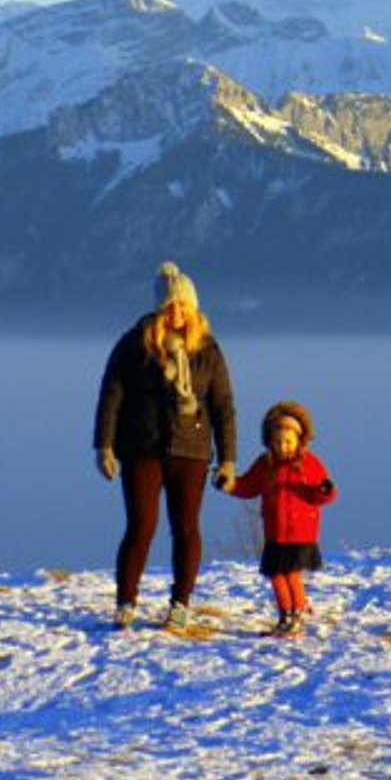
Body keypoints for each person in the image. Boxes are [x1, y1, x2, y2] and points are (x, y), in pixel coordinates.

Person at [93, 261, 237, 631]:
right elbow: (111, 396)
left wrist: (228, 460)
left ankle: (180, 603)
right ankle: (126, 602)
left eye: (183, 305)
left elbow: (222, 407)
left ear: (194, 307)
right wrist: (104, 446)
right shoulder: (134, 345)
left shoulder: (208, 350)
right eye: (170, 305)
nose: (177, 312)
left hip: (192, 450)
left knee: (186, 528)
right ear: (159, 308)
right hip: (142, 448)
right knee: (141, 526)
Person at [229, 399, 337, 637]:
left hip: (301, 533)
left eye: (288, 441)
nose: (283, 446)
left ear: (300, 440)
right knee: (277, 575)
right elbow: (249, 486)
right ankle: (286, 614)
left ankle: (296, 614)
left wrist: (323, 491)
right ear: (270, 440)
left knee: (291, 574)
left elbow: (321, 494)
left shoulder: (308, 464)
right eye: (278, 441)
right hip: (275, 533)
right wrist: (230, 484)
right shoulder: (265, 464)